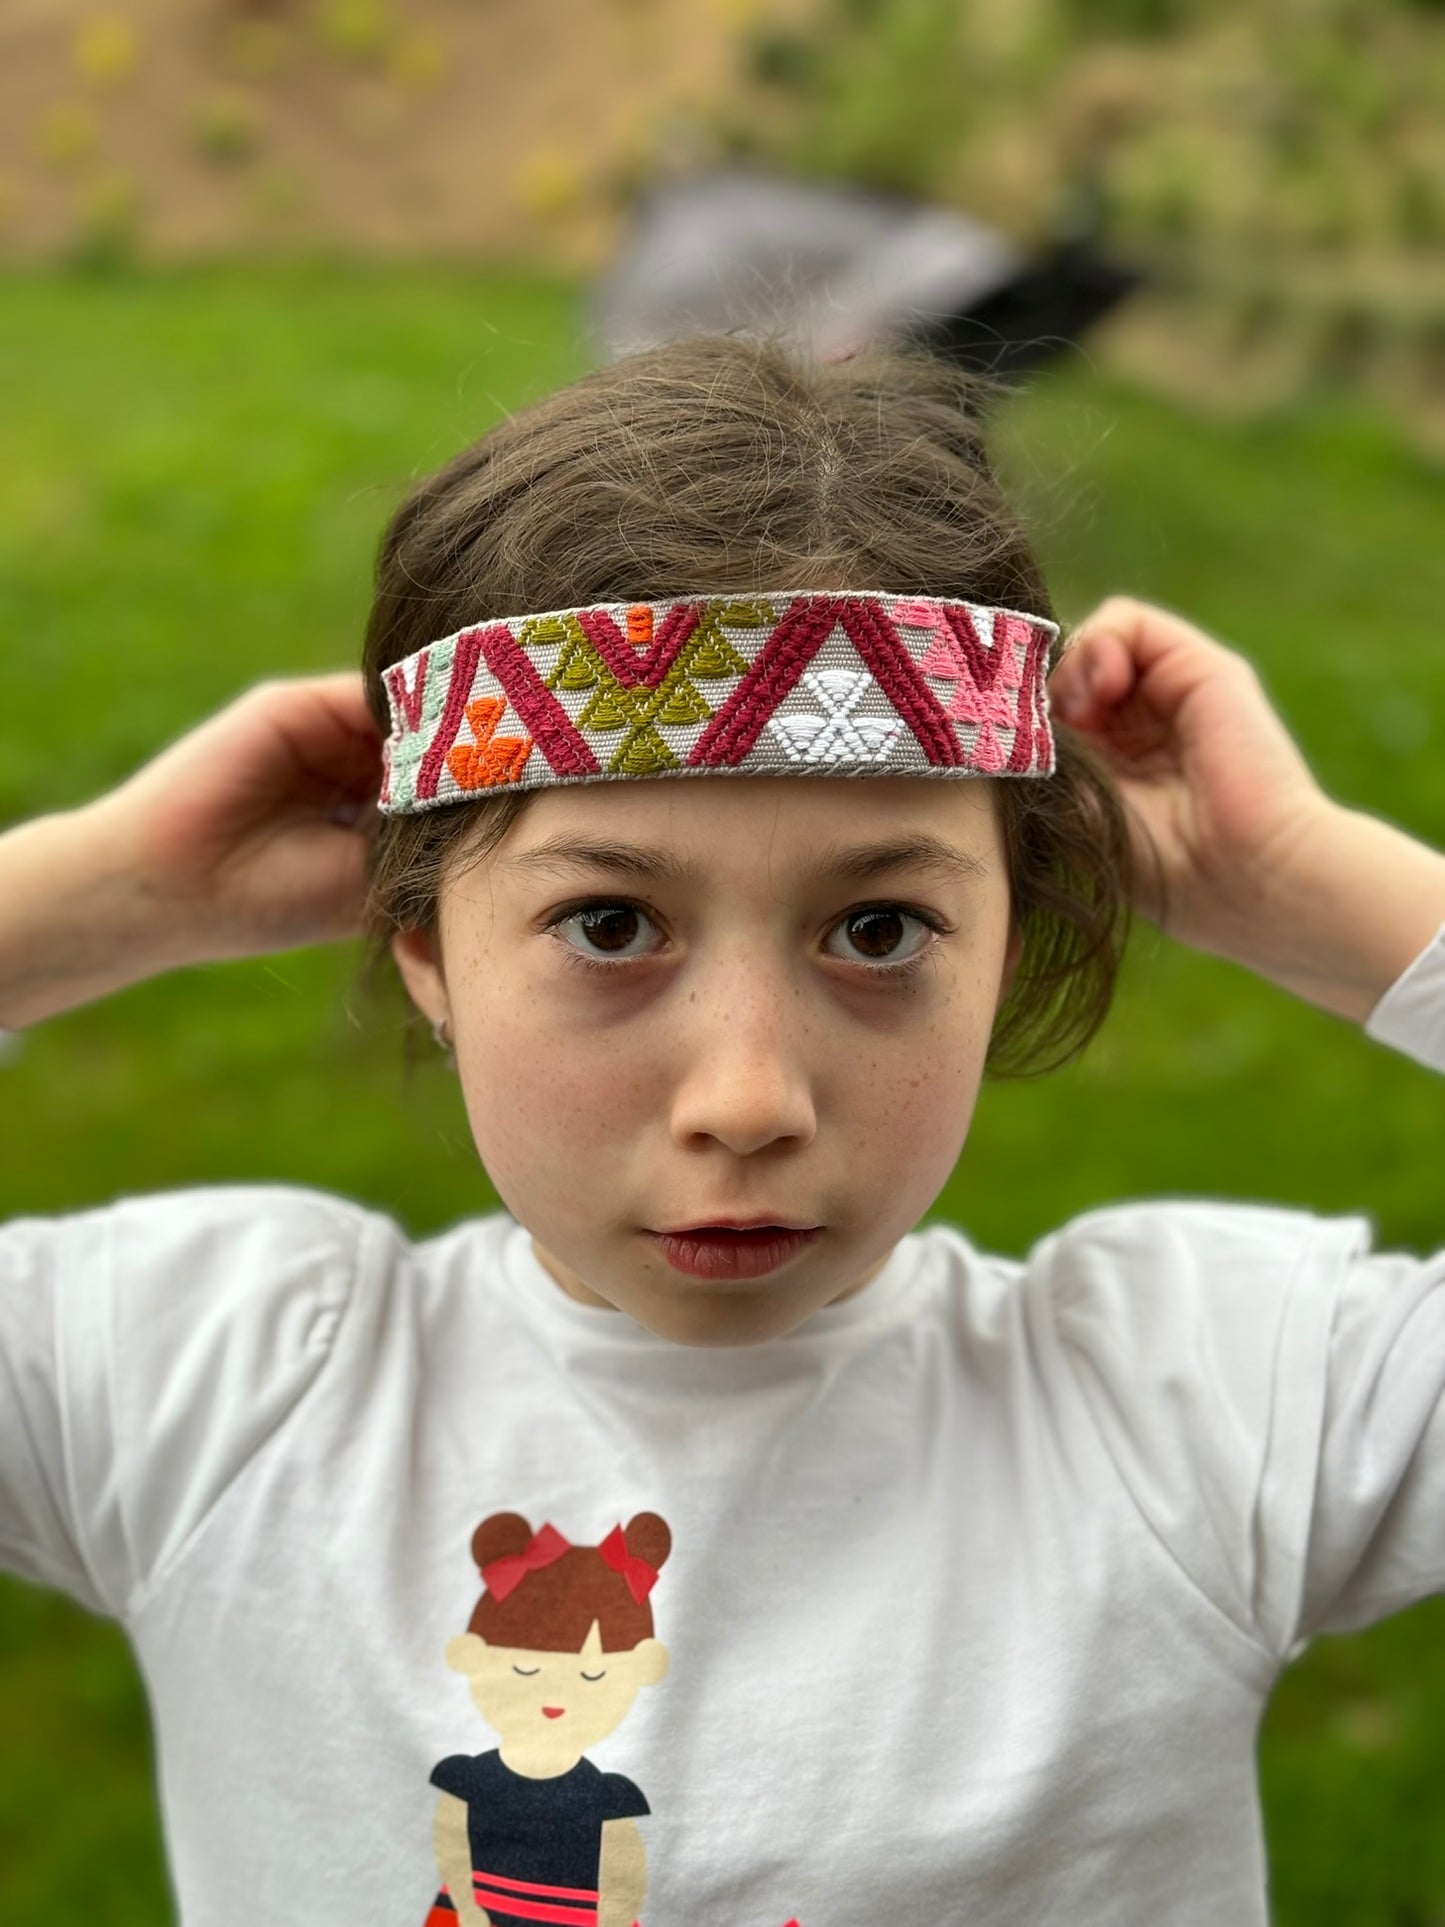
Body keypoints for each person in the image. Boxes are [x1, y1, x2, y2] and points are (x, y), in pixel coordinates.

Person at [1, 335, 1442, 1927]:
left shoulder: (1203, 1411)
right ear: (425, 950)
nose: (749, 1099)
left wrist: (1317, 892)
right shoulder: (205, 1388)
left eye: (880, 929)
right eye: (611, 925)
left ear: (1013, 937)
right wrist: (91, 899)